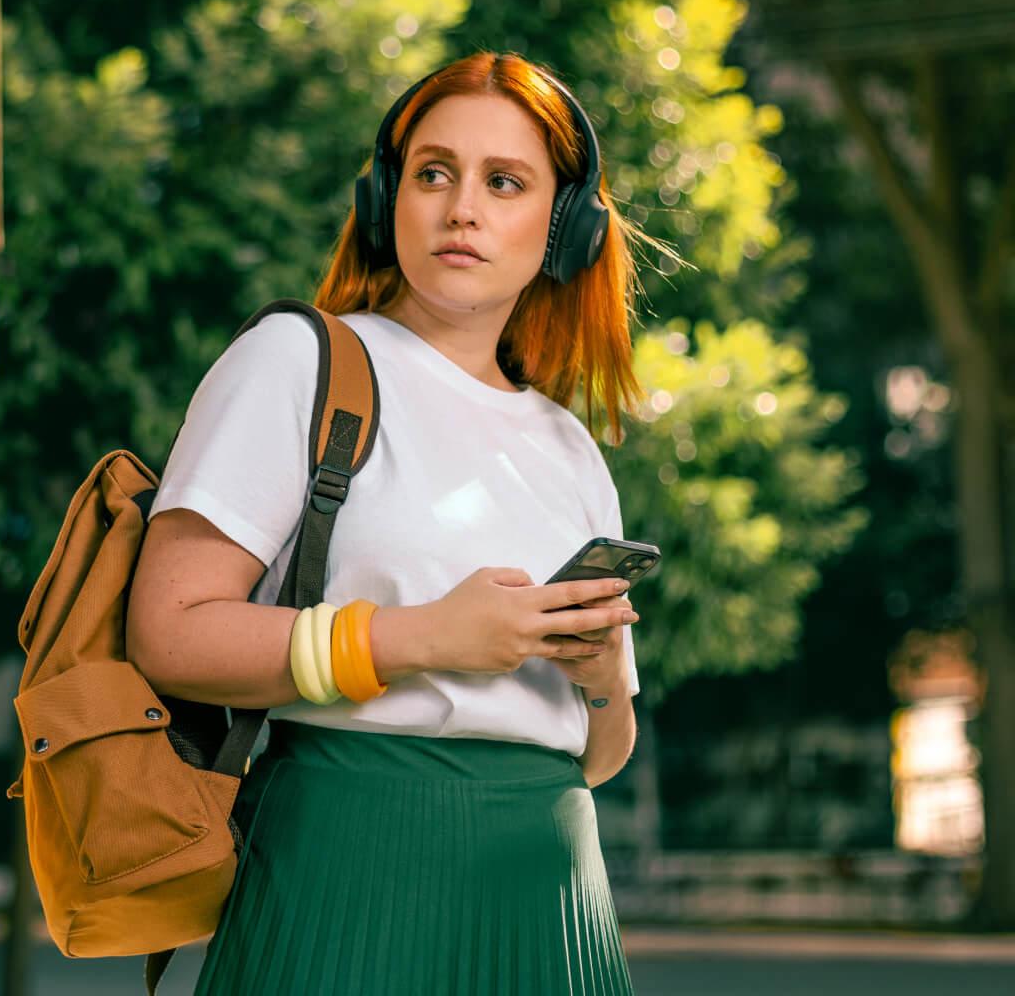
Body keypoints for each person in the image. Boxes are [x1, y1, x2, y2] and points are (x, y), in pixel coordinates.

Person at [127, 50, 676, 994]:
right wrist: (427, 637)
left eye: (504, 182)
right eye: (433, 173)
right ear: (387, 200)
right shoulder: (297, 361)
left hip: (551, 903)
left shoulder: (571, 448)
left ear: (565, 226)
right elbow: (168, 632)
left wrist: (598, 682)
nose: (462, 208)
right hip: (349, 871)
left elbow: (601, 754)